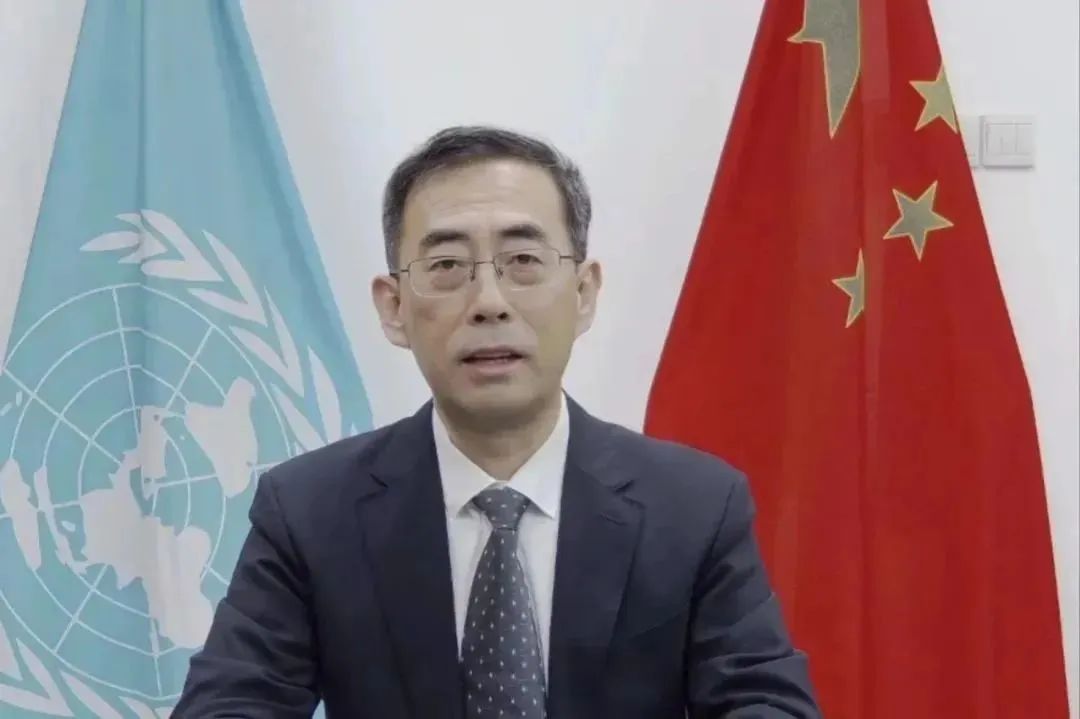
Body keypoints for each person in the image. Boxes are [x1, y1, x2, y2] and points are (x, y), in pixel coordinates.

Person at [174, 126, 820, 718]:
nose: (489, 302)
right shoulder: (310, 512)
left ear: (584, 293)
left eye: (524, 261)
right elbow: (230, 705)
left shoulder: (693, 507)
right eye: (447, 267)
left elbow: (764, 703)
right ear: (394, 307)